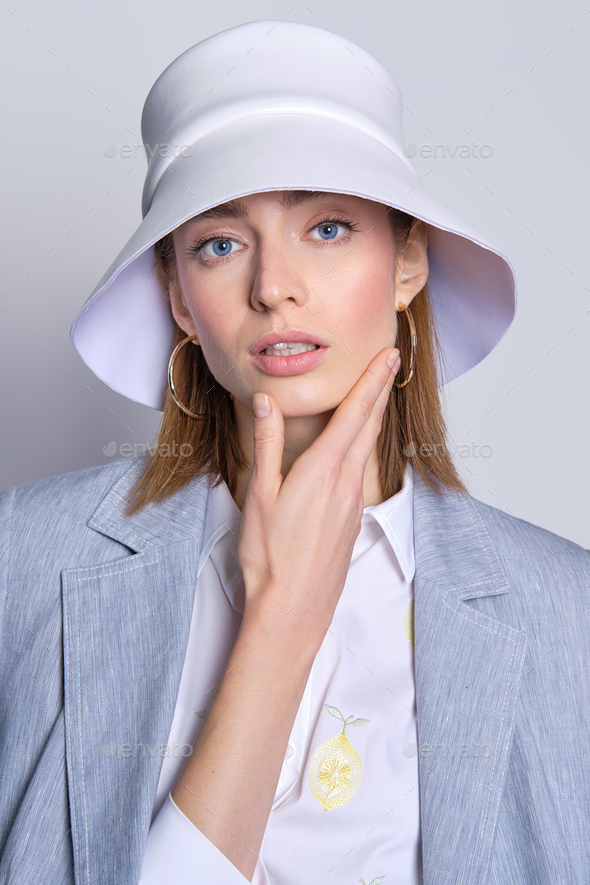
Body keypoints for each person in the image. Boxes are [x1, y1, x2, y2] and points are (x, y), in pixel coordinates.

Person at [1, 18, 589, 885]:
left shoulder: (564, 608)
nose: (273, 284)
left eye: (328, 227)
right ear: (178, 296)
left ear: (408, 263)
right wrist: (279, 626)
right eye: (220, 243)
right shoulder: (25, 555)